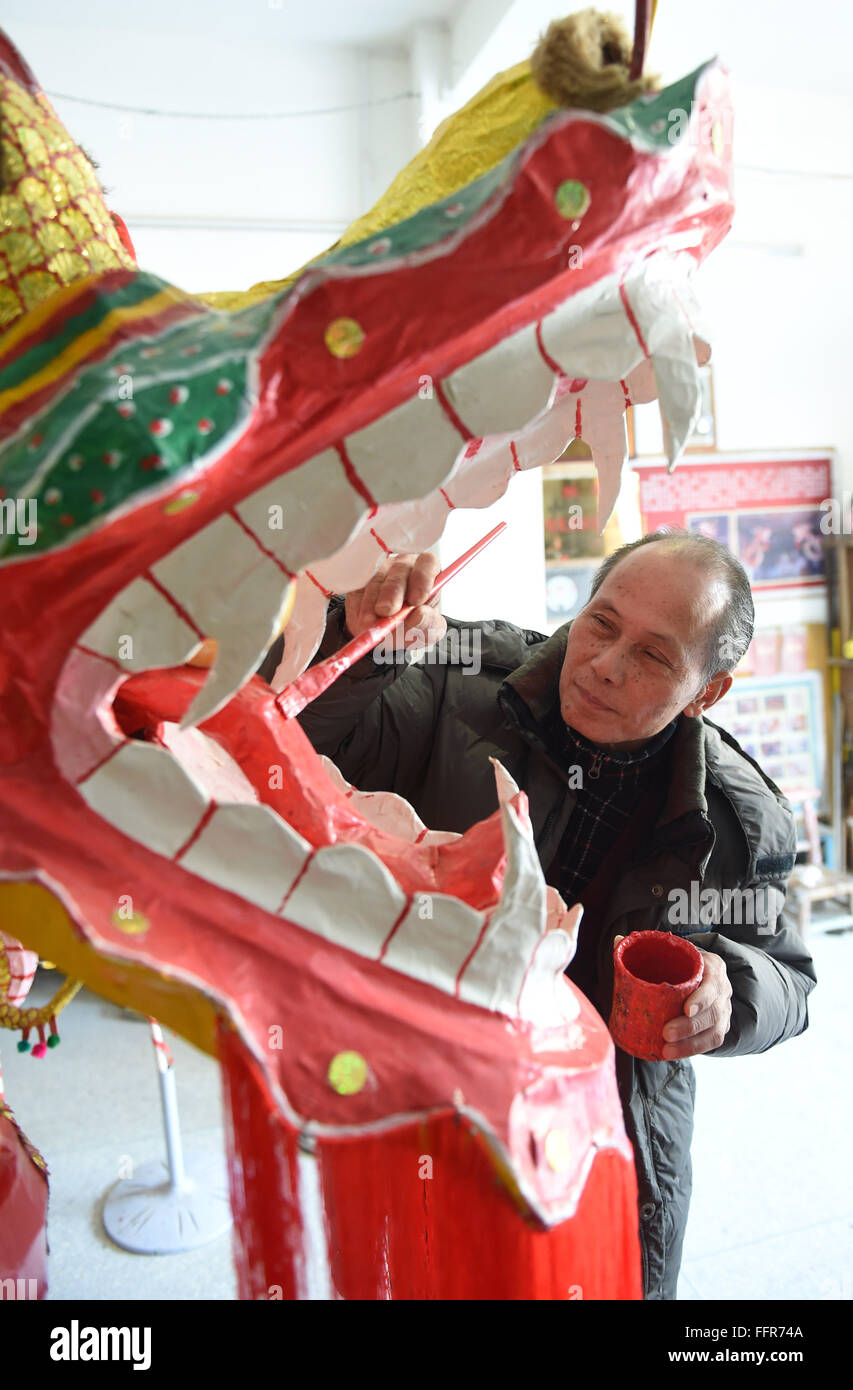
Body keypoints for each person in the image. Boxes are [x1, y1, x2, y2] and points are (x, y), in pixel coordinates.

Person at [280, 529, 817, 1301]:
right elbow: (297, 739)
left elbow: (790, 978)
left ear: (706, 692)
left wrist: (731, 989)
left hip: (613, 1121)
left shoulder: (732, 817)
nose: (603, 663)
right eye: (601, 623)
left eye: (653, 656)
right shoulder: (461, 683)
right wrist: (356, 638)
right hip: (440, 1087)